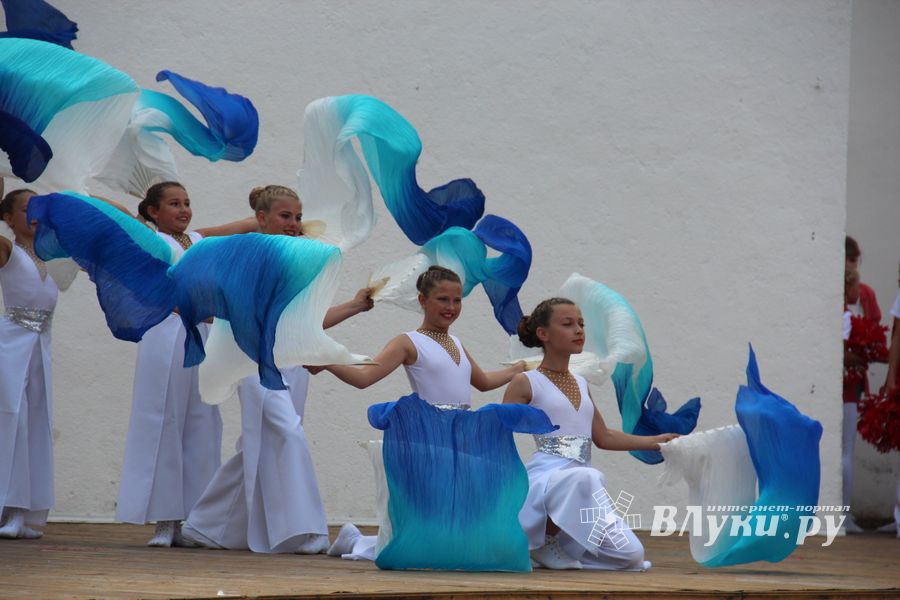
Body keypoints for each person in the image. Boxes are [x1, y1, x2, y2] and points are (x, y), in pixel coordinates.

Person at [181, 184, 374, 553]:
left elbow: (306, 322)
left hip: (291, 364)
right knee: (288, 432)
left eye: (298, 216)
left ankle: (207, 527)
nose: (294, 223)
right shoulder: (242, 254)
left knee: (259, 440)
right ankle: (304, 533)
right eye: (286, 215)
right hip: (252, 361)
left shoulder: (303, 259)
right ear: (261, 218)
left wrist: (353, 305)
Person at [317, 265, 525, 560]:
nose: (451, 307)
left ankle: (357, 540)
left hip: (461, 437)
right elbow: (365, 378)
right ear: (423, 301)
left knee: (453, 519)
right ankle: (356, 542)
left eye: (457, 300)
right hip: (428, 437)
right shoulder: (408, 342)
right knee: (430, 519)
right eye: (442, 299)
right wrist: (326, 360)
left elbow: (484, 382)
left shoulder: (456, 343)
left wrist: (518, 370)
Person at [116, 181, 258, 547]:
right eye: (174, 204)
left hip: (200, 336)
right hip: (164, 335)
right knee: (165, 418)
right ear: (153, 212)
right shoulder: (150, 241)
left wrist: (263, 204)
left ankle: (197, 519)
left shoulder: (196, 239)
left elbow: (244, 225)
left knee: (202, 420)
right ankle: (165, 519)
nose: (183, 210)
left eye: (187, 203)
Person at [503, 297, 677, 570]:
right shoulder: (526, 382)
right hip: (546, 479)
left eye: (581, 324)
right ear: (543, 334)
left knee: (631, 555)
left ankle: (559, 548)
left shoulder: (581, 383)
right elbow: (500, 433)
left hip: (583, 485)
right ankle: (543, 537)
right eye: (568, 324)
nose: (579, 330)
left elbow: (604, 436)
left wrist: (657, 442)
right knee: (586, 477)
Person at [0, 187, 58, 539]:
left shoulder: (55, 256)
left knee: (36, 423)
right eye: (25, 209)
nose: (34, 215)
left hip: (41, 346)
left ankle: (26, 509)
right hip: (11, 344)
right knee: (12, 421)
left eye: (40, 208)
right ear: (7, 218)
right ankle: (9, 508)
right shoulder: (9, 252)